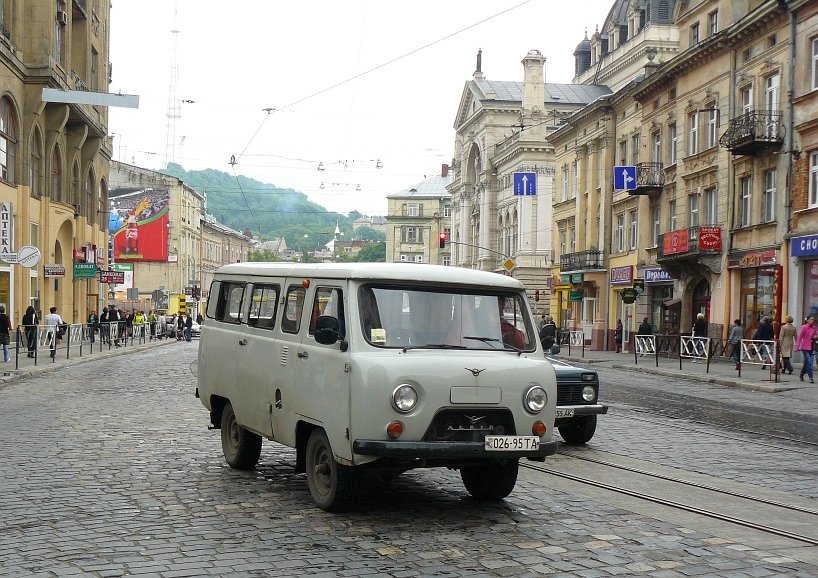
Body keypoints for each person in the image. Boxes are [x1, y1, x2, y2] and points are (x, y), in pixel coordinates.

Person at [796, 316, 818, 383]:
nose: (812, 321)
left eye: (813, 319)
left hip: (811, 346)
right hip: (804, 347)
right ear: (807, 320)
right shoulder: (804, 327)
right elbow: (800, 337)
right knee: (809, 361)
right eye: (811, 319)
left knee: (806, 362)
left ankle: (801, 374)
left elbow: (816, 335)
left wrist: (815, 337)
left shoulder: (815, 327)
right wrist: (797, 347)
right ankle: (810, 377)